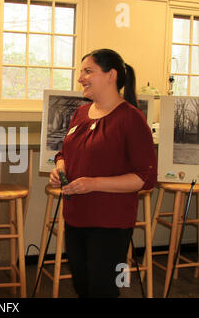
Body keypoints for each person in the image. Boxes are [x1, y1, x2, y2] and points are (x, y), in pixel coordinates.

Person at [49, 48, 157, 298]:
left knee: (104, 290)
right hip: (76, 217)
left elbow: (145, 178)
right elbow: (64, 152)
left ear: (111, 75)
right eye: (81, 72)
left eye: (88, 71)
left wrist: (94, 183)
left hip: (110, 224)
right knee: (82, 287)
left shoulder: (131, 118)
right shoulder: (80, 113)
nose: (80, 78)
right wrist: (60, 167)